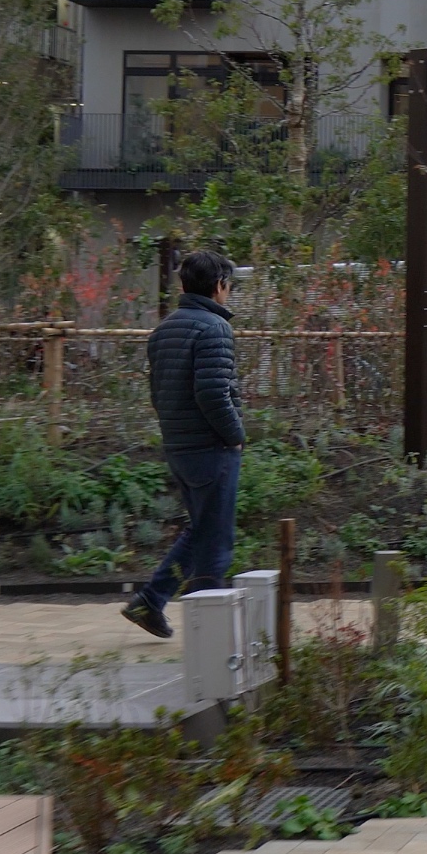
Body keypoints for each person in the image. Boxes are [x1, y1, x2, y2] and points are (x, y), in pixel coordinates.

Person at [123, 251, 246, 639]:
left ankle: (150, 602)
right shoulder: (214, 328)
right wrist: (235, 435)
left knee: (201, 531)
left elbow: (157, 393)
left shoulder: (164, 329)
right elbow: (213, 393)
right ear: (219, 285)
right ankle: (208, 633)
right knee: (216, 541)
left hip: (179, 447)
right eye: (228, 285)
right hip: (211, 448)